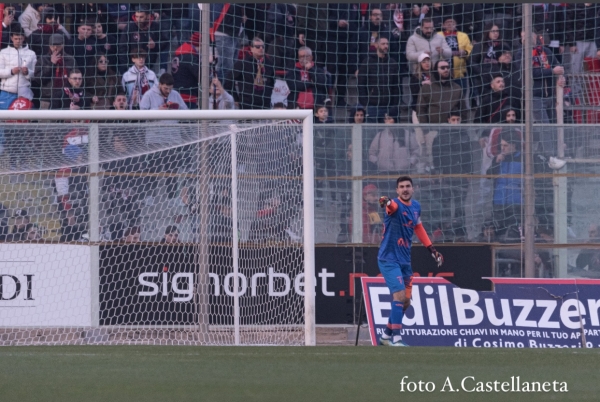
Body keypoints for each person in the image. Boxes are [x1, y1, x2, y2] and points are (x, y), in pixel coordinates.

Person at [377, 176, 443, 346]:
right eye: (401, 187)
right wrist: (386, 201)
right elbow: (390, 205)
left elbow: (418, 227)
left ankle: (385, 337)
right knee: (398, 296)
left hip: (405, 259)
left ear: (413, 189)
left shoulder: (416, 207)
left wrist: (432, 249)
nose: (405, 189)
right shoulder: (395, 206)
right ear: (397, 190)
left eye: (408, 186)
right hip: (389, 258)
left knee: (406, 302)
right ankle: (397, 339)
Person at [487, 129, 523, 238]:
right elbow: (489, 175)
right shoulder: (498, 159)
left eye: (506, 145)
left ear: (514, 145)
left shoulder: (522, 158)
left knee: (514, 232)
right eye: (501, 145)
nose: (503, 148)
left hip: (516, 202)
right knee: (499, 232)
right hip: (499, 200)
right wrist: (496, 163)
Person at [223, 37, 275, 110]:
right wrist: (236, 98)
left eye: (263, 46)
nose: (261, 48)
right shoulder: (243, 63)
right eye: (257, 47)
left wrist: (268, 94)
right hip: (247, 104)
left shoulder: (269, 64)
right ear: (251, 48)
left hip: (265, 104)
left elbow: (272, 82)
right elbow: (229, 81)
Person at [357, 36, 400, 123]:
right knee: (370, 135)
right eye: (383, 44)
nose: (386, 46)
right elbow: (361, 84)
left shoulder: (393, 63)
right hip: (372, 106)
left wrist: (394, 104)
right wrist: (365, 103)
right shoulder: (367, 62)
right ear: (376, 45)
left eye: (387, 44)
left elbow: (396, 86)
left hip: (388, 106)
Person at [32, 33, 76, 110]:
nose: (55, 48)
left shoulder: (70, 60)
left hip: (67, 98)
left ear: (63, 45)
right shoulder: (43, 60)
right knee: (46, 121)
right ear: (49, 46)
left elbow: (77, 79)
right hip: (47, 98)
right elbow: (38, 79)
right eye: (53, 45)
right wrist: (51, 64)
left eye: (58, 45)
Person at [417, 59, 467, 124]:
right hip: (433, 130)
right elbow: (421, 110)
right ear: (436, 70)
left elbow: (463, 110)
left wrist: (463, 129)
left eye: (448, 67)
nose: (446, 70)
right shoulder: (427, 87)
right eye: (442, 68)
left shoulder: (456, 88)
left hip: (453, 130)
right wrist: (426, 131)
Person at [0, 24, 37, 108]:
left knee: (23, 119)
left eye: (20, 39)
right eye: (16, 39)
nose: (18, 41)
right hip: (6, 92)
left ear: (23, 38)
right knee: (3, 119)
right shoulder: (3, 52)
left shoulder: (31, 54)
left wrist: (27, 72)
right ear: (11, 38)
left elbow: (35, 74)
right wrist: (11, 72)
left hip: (24, 93)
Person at [172, 32, 200, 109]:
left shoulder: (178, 55)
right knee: (189, 120)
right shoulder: (190, 57)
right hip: (189, 97)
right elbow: (201, 75)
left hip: (177, 94)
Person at [409, 53, 431, 119]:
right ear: (420, 64)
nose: (427, 63)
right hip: (418, 108)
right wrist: (421, 84)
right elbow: (414, 92)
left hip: (432, 108)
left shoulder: (435, 76)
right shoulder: (415, 77)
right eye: (424, 62)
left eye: (428, 61)